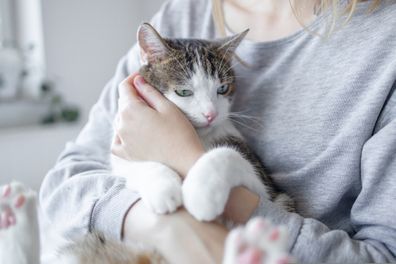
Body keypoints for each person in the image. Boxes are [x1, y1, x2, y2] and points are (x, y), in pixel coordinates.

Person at [40, 0, 396, 263]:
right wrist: (166, 227)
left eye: (221, 91)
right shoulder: (180, 16)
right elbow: (65, 186)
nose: (210, 112)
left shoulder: (384, 41)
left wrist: (188, 162)